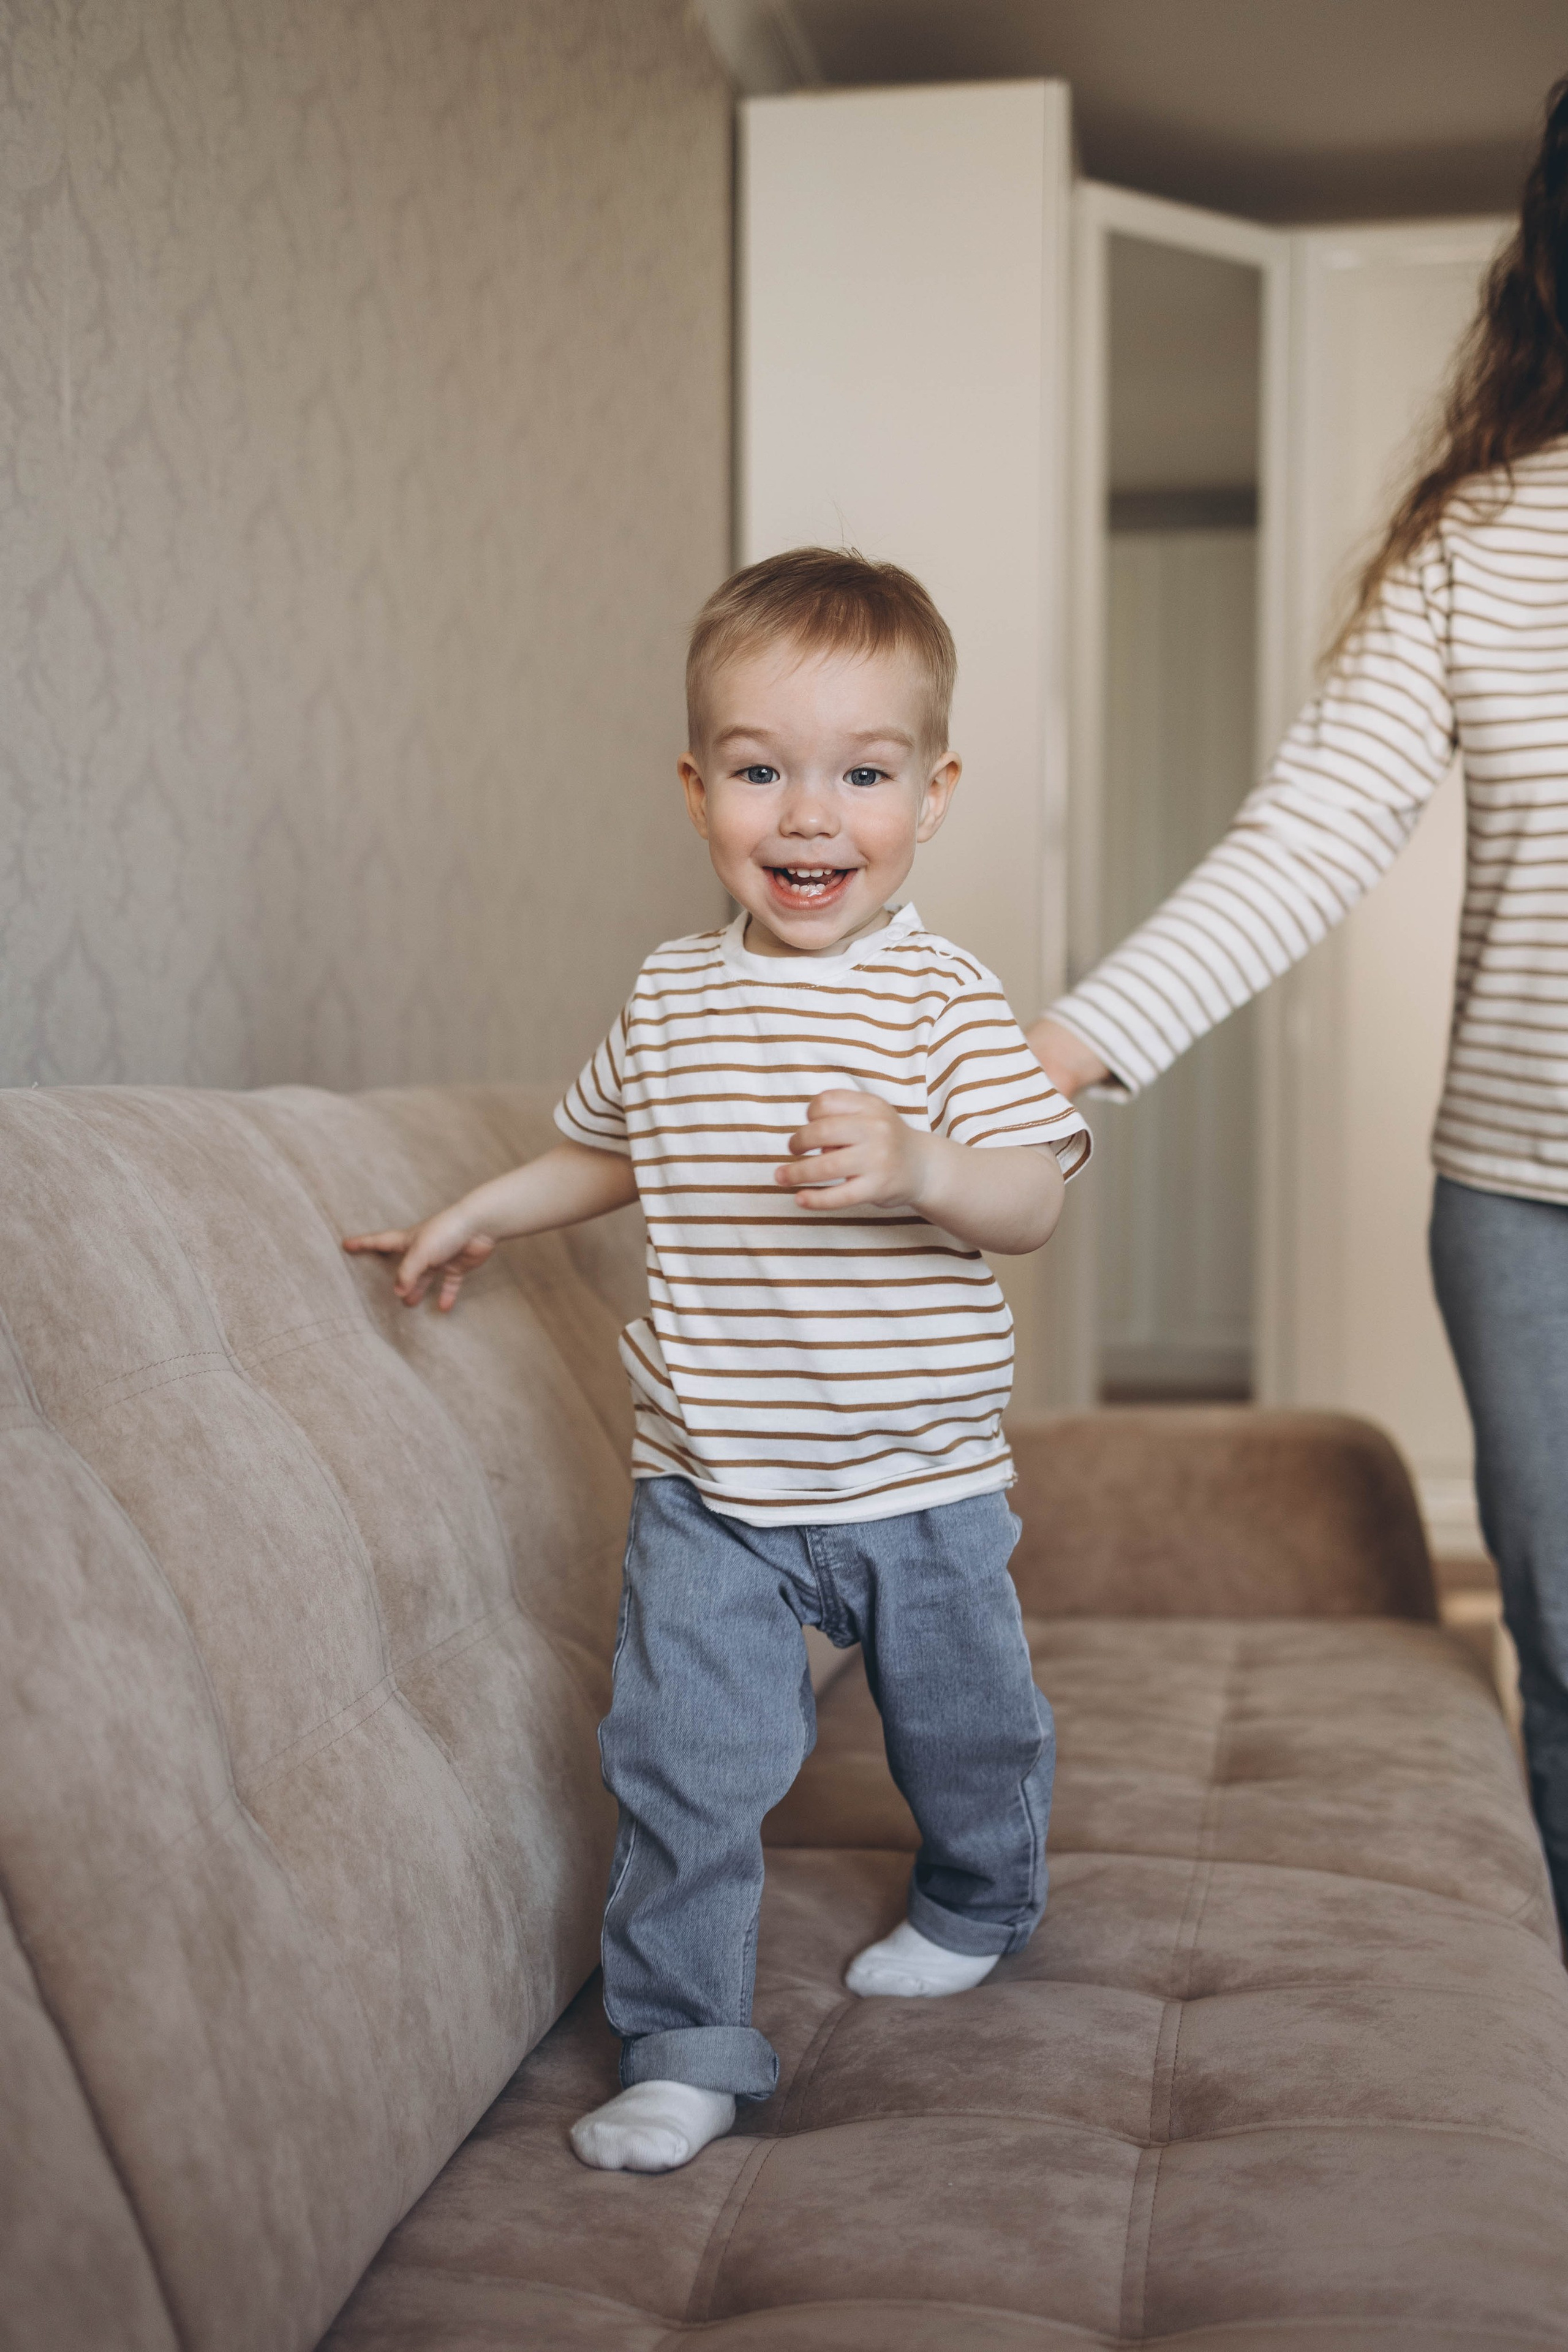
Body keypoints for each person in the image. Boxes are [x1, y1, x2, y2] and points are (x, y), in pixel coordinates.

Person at [345, 549, 1090, 2172]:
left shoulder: (945, 1007)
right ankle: (684, 2044)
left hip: (921, 1483)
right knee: (679, 1771)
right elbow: (615, 1150)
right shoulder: (671, 996)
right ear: (699, 791)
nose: (810, 816)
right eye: (763, 771)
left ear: (935, 792)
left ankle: (982, 1896)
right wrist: (482, 1208)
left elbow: (1030, 1194)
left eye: (863, 774)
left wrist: (924, 1169)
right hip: (712, 1492)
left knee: (968, 1734)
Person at [1030, 74, 1568, 1934]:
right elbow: (1301, 846)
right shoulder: (1477, 548)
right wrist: (1055, 1055)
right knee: (1567, 1644)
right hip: (1521, 1204)